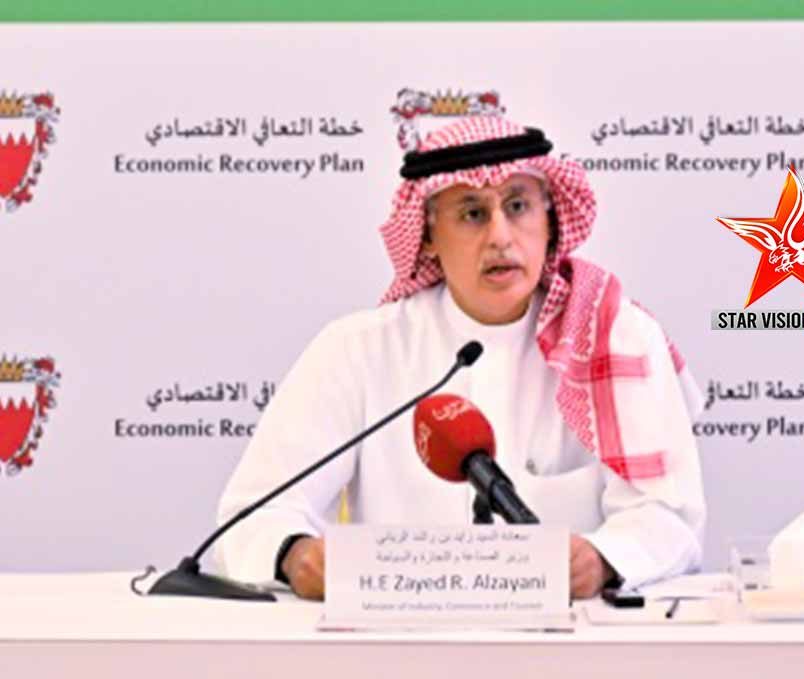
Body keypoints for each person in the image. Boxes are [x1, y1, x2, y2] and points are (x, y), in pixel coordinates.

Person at [215, 116, 706, 600]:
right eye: (472, 213)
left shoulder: (617, 338)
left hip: (573, 640)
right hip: (396, 640)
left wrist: (604, 558)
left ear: (550, 221)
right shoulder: (359, 350)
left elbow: (669, 514)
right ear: (428, 236)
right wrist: (295, 555)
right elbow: (255, 514)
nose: (500, 237)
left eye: (518, 206)